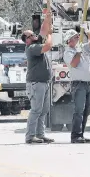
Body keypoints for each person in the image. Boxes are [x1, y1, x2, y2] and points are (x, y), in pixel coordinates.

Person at [23, 15, 55, 144]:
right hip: (36, 83)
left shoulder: (36, 43)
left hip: (44, 82)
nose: (34, 35)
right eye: (31, 35)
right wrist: (50, 35)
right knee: (36, 110)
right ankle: (30, 136)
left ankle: (40, 134)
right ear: (27, 40)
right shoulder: (32, 48)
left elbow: (42, 31)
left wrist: (48, 19)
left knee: (43, 110)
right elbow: (47, 46)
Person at [63, 25, 90, 143]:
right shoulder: (68, 52)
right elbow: (74, 64)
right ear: (69, 41)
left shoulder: (82, 48)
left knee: (86, 110)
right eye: (75, 37)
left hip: (88, 84)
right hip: (79, 84)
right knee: (79, 110)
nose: (78, 38)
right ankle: (75, 135)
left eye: (78, 36)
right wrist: (78, 52)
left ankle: (81, 134)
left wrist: (87, 32)